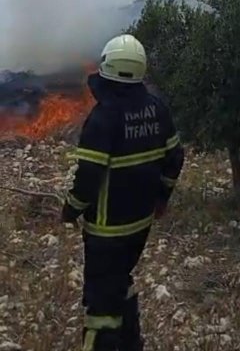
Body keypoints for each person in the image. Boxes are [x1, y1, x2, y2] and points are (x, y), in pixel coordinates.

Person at [61, 33, 184, 351]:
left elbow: (89, 175)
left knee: (101, 304)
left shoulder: (104, 117)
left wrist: (71, 209)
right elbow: (175, 157)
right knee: (121, 279)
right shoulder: (157, 109)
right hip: (140, 225)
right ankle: (131, 342)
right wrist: (162, 198)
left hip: (106, 230)